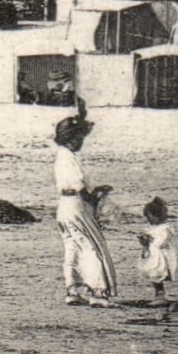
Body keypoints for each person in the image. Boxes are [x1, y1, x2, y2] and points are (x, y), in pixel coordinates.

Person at [53, 99, 117, 307]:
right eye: (80, 137)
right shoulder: (68, 158)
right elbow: (78, 186)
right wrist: (95, 196)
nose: (82, 141)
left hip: (64, 206)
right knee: (91, 245)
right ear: (73, 138)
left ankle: (72, 289)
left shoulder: (63, 156)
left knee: (72, 247)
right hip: (76, 205)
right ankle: (98, 292)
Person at [137, 196, 178, 320]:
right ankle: (158, 295)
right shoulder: (153, 228)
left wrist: (150, 240)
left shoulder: (165, 228)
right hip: (152, 254)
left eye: (150, 217)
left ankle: (160, 296)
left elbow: (162, 242)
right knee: (153, 275)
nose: (148, 220)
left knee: (158, 274)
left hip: (161, 256)